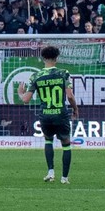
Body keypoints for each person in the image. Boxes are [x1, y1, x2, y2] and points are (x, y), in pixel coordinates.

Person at [30, 45, 77, 184]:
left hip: (45, 115)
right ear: (56, 58)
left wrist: (20, 92)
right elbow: (69, 95)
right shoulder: (63, 73)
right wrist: (75, 109)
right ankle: (64, 178)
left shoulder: (36, 76)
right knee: (66, 143)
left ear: (43, 58)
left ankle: (50, 172)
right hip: (60, 114)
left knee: (48, 140)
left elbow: (26, 99)